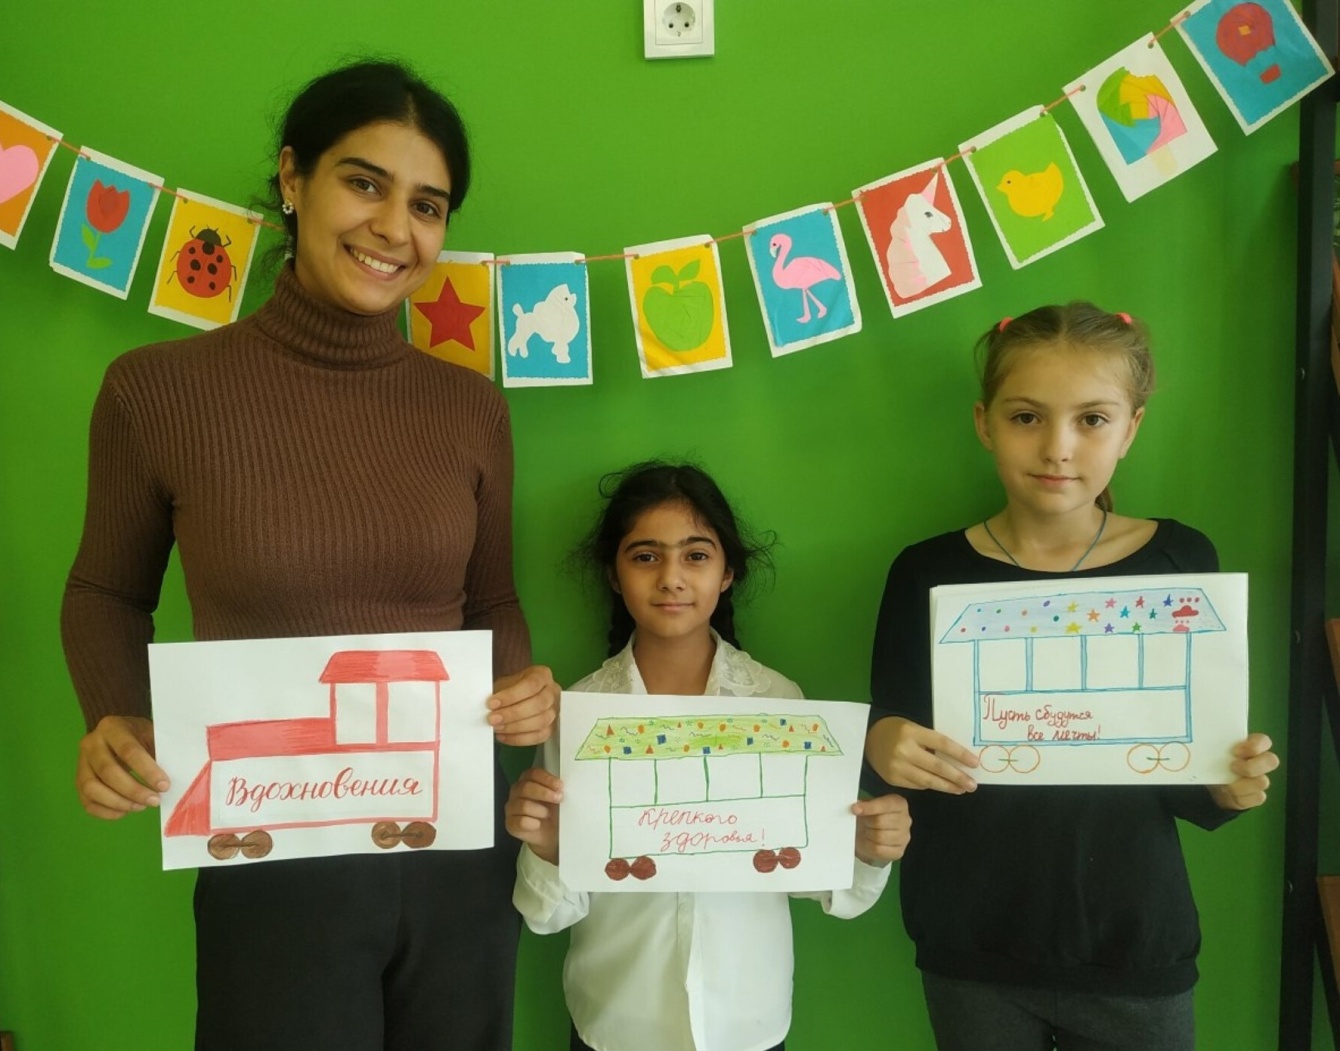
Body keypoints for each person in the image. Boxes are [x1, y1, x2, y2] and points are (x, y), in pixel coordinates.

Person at [61, 59, 558, 1051]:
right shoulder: (156, 393)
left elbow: (490, 602)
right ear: (292, 178)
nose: (394, 228)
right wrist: (115, 716)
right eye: (364, 182)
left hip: (456, 846)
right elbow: (106, 590)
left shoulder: (471, 408)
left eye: (427, 205)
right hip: (266, 850)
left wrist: (522, 690)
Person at [864, 303, 1279, 1051]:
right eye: (1027, 417)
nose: (1058, 447)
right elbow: (890, 752)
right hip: (971, 939)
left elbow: (1182, 771)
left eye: (1092, 419)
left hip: (1133, 939)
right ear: (985, 422)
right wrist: (882, 743)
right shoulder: (924, 572)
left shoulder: (1179, 561)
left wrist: (1226, 786)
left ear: (1131, 428)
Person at [505, 460, 911, 1051]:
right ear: (615, 575)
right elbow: (547, 914)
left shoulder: (777, 703)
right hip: (617, 1020)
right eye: (646, 556)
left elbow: (821, 880)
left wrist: (868, 849)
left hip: (746, 1018)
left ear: (727, 574)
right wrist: (548, 847)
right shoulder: (579, 717)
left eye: (696, 555)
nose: (671, 578)